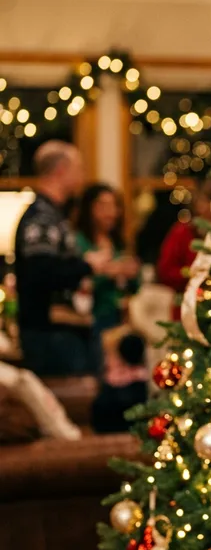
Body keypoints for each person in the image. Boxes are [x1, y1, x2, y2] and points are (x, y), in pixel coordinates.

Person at [14, 141, 115, 376]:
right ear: (61, 170)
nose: (81, 175)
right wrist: (87, 265)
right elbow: (40, 272)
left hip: (63, 332)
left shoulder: (55, 215)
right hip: (50, 336)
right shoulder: (41, 218)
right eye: (77, 168)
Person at [75, 183, 140, 333]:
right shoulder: (79, 242)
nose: (111, 213)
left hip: (119, 319)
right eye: (103, 206)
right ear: (89, 208)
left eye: (114, 206)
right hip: (89, 321)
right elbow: (77, 282)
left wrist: (132, 273)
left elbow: (134, 288)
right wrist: (107, 272)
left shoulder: (118, 244)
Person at [157, 178, 211, 318]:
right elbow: (165, 271)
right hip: (187, 311)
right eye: (204, 201)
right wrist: (191, 273)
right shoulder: (182, 233)